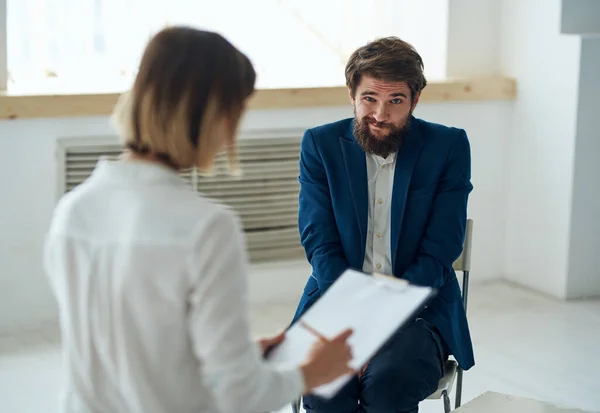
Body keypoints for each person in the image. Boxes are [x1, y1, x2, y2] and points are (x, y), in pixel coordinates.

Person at [43, 26, 354, 413]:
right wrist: (311, 373)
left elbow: (129, 355)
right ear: (213, 115)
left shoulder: (73, 210)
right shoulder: (207, 227)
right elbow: (239, 395)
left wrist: (239, 356)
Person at [291, 37, 475, 413]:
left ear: (415, 100)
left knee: (390, 382)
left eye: (395, 101)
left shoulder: (448, 147)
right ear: (352, 94)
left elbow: (441, 250)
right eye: (369, 98)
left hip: (419, 309)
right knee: (324, 388)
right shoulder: (320, 145)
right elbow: (320, 244)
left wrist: (378, 328)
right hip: (336, 303)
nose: (379, 114)